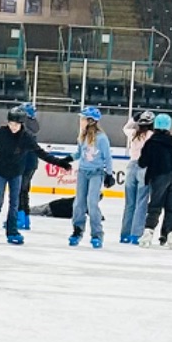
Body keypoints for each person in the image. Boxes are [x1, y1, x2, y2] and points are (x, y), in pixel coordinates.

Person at [0, 106, 53, 244]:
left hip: (19, 171)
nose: (13, 127)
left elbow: (39, 152)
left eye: (16, 124)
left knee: (15, 200)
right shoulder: (4, 132)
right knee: (1, 200)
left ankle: (14, 229)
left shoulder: (27, 136)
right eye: (11, 123)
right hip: (3, 170)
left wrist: (58, 162)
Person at [138, 111, 172, 246]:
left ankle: (148, 234)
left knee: (155, 206)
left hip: (160, 175)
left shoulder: (151, 142)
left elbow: (142, 162)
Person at [69, 105, 110, 248]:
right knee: (79, 203)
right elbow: (79, 154)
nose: (80, 121)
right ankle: (77, 230)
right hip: (82, 172)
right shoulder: (82, 136)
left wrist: (109, 173)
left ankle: (97, 234)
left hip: (96, 173)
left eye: (83, 119)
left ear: (91, 121)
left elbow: (107, 157)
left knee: (92, 203)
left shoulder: (102, 138)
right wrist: (67, 159)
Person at [120, 109, 153, 242]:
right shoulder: (151, 135)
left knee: (130, 203)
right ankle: (136, 234)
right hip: (145, 167)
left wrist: (133, 119)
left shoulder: (134, 133)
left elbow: (125, 128)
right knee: (141, 202)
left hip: (132, 166)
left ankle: (125, 234)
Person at [14, 99, 41, 229]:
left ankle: (19, 219)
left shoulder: (25, 128)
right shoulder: (33, 126)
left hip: (24, 162)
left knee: (20, 191)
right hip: (31, 162)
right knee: (24, 191)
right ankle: (25, 218)